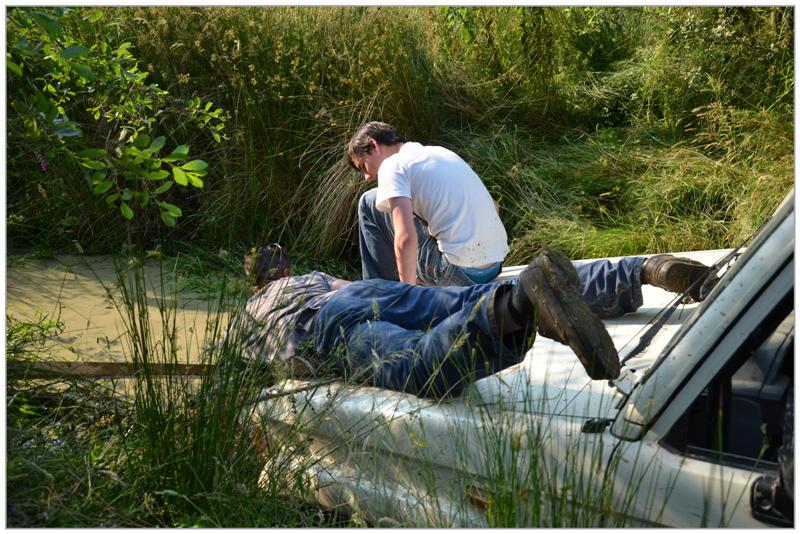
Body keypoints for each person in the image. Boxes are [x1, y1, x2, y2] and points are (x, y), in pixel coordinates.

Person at [225, 243, 704, 400]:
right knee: (468, 296)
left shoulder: (248, 315)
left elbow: (256, 369)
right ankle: (643, 269)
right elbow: (342, 290)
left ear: (256, 283)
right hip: (359, 292)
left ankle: (518, 306)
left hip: (323, 331)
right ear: (284, 270)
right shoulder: (309, 276)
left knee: (418, 365)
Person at [346, 121, 714, 312]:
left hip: (460, 272)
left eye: (364, 165)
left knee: (369, 203)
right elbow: (489, 207)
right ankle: (641, 270)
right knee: (532, 290)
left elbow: (405, 238)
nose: (367, 175)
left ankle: (381, 300)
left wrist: (410, 299)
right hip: (491, 262)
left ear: (374, 147)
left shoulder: (392, 166)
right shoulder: (435, 152)